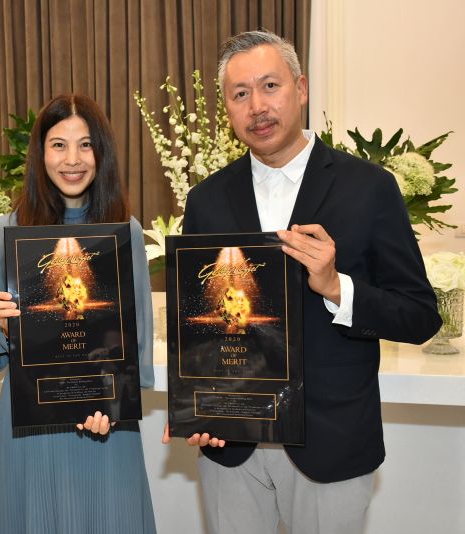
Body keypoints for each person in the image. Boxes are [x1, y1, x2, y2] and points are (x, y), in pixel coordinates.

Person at [163, 30, 441, 533]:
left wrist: (337, 287)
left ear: (302, 88)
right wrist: (194, 406)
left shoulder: (369, 188)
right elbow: (199, 325)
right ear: (227, 108)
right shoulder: (208, 199)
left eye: (270, 86)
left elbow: (420, 316)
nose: (257, 106)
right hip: (232, 445)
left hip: (329, 440)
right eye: (240, 93)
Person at [0, 93, 157, 533]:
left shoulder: (125, 232)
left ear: (101, 153)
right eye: (58, 145)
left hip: (106, 428)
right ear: (40, 153)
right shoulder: (8, 230)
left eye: (85, 144)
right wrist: (1, 327)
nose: (72, 159)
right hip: (30, 432)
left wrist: (111, 403)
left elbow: (138, 339)